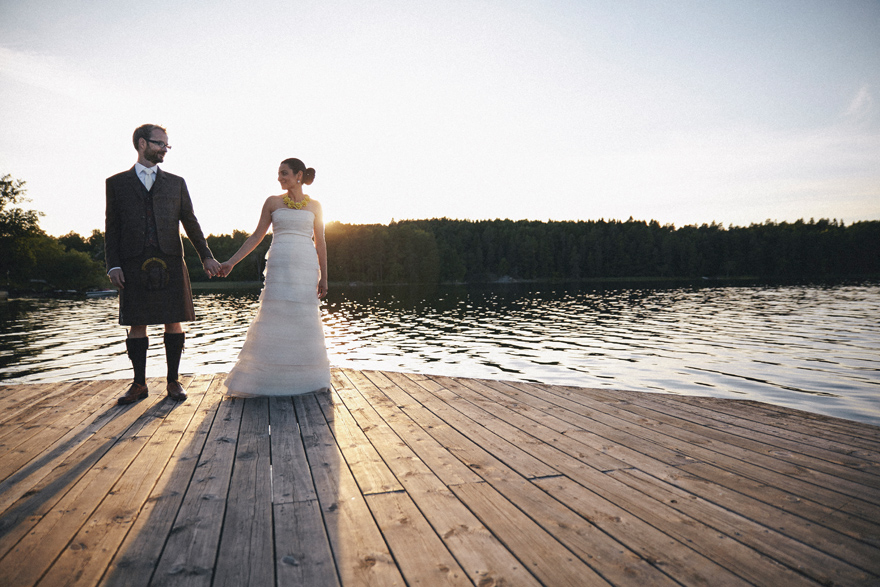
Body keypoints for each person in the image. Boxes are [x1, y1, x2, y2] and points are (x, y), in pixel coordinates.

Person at [105, 124, 222, 405]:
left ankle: (173, 381)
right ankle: (139, 384)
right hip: (132, 261)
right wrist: (113, 265)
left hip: (170, 258)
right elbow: (112, 228)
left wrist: (206, 255)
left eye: (167, 145)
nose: (164, 149)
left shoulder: (176, 182)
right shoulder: (116, 183)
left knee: (174, 320)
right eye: (160, 144)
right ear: (142, 144)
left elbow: (190, 222)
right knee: (136, 322)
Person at [219, 158, 331, 396]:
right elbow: (256, 236)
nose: (279, 178)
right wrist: (231, 262)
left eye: (284, 173)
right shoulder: (272, 202)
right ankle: (267, 379)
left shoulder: (316, 206)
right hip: (279, 265)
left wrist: (324, 277)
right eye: (279, 174)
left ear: (298, 175)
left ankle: (307, 379)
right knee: (274, 315)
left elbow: (321, 243)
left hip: (305, 266)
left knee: (303, 317)